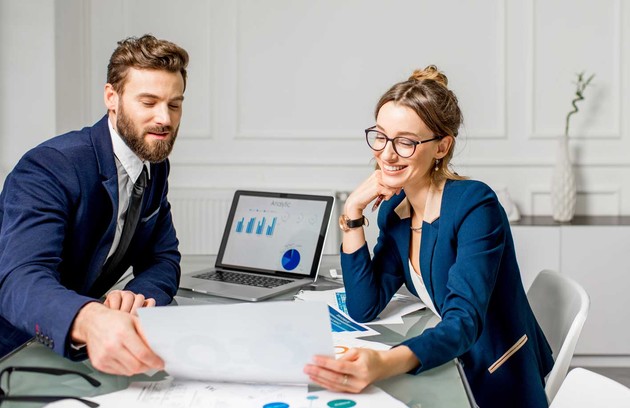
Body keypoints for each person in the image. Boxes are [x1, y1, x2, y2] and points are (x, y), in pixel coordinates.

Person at [304, 65, 554, 408]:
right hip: (448, 365)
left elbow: (464, 320)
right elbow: (365, 305)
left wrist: (384, 363)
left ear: (441, 147)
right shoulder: (396, 212)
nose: (387, 153)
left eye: (405, 142)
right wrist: (352, 214)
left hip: (494, 380)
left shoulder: (475, 205)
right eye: (380, 135)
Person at [0, 34, 188, 376]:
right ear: (111, 98)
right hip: (13, 349)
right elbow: (19, 279)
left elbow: (163, 258)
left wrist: (137, 298)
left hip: (79, 357)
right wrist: (92, 319)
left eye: (174, 104)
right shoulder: (50, 166)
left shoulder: (154, 163)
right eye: (149, 102)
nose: (165, 119)